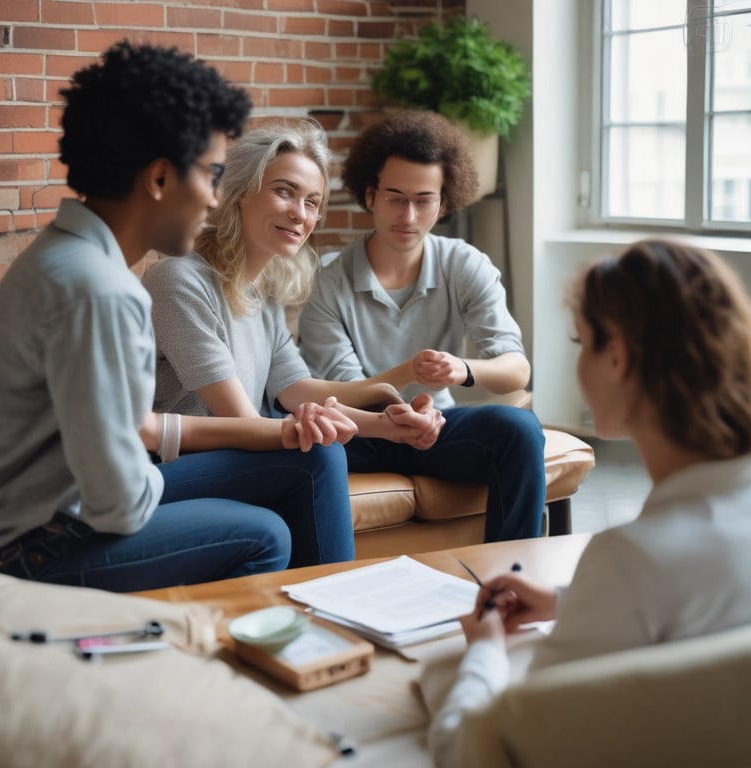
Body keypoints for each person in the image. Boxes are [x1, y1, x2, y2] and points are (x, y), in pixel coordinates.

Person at [0, 42, 358, 592]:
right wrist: (186, 471)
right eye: (210, 175)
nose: (213, 200)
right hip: (32, 549)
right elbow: (120, 505)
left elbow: (134, 433)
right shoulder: (105, 292)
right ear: (160, 179)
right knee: (264, 534)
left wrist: (262, 437)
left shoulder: (66, 257)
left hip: (55, 513)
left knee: (305, 459)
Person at [427, 238, 751, 767]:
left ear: (617, 357)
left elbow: (468, 750)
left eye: (582, 342)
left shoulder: (632, 556)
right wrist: (568, 599)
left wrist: (485, 647)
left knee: (436, 678)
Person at [141, 119, 446, 559]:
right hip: (168, 467)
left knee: (326, 446)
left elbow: (297, 389)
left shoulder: (261, 292)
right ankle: (332, 600)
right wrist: (367, 425)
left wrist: (385, 418)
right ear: (242, 191)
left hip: (227, 453)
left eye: (312, 202)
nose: (300, 214)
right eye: (285, 191)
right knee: (315, 456)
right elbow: (243, 422)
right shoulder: (179, 281)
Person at [297, 110, 546, 542]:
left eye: (423, 200)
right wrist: (407, 385)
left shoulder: (465, 265)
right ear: (370, 196)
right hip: (362, 432)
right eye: (395, 197)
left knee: (521, 430)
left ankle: (511, 579)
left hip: (438, 427)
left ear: (444, 203)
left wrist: (461, 369)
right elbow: (342, 393)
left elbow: (516, 370)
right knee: (314, 447)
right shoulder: (329, 282)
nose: (408, 216)